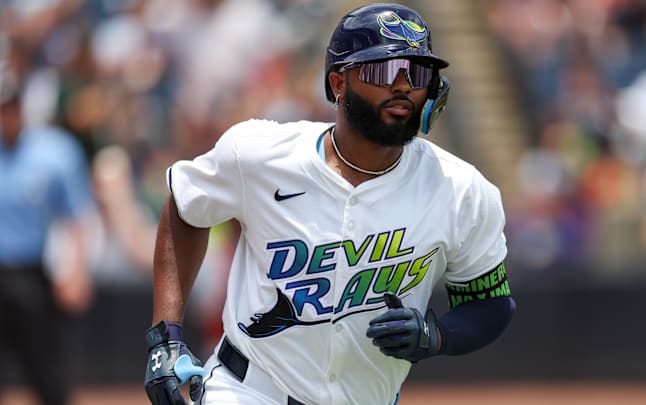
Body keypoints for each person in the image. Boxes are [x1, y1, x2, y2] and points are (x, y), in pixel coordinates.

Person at [144, 3, 516, 405]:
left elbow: (490, 304)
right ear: (339, 83)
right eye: (384, 70)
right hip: (247, 391)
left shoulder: (461, 190)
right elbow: (186, 207)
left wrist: (436, 336)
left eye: (418, 72)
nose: (404, 85)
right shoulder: (258, 153)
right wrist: (166, 336)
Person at [0, 70, 94, 405]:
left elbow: (78, 216)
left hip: (31, 276)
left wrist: (77, 269)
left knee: (48, 376)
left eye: (10, 106)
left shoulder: (54, 152)